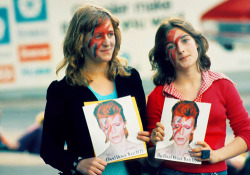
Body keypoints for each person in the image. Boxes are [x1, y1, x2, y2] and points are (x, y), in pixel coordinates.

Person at [40, 4, 150, 175]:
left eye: (110, 34)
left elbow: (145, 131)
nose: (107, 42)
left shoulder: (130, 79)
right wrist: (77, 163)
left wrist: (147, 140)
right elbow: (49, 149)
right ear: (80, 40)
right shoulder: (62, 91)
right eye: (98, 36)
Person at [146, 16, 250, 175]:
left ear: (197, 43)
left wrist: (217, 155)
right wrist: (157, 145)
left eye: (185, 40)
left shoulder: (223, 85)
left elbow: (246, 133)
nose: (180, 49)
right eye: (171, 46)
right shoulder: (157, 96)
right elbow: (151, 161)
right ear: (165, 55)